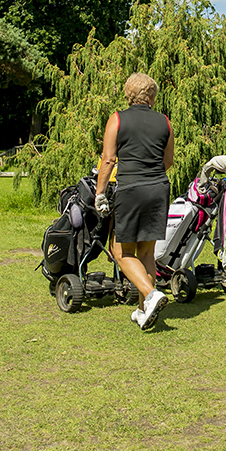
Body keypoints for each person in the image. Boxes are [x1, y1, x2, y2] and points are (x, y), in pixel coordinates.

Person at [95, 72, 175, 331]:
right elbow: (168, 161)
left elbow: (108, 159)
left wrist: (99, 193)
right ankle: (143, 311)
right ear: (151, 97)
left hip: (131, 189)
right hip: (158, 189)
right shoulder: (165, 121)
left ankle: (151, 295)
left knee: (121, 251)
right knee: (147, 252)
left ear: (128, 94)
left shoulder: (117, 119)